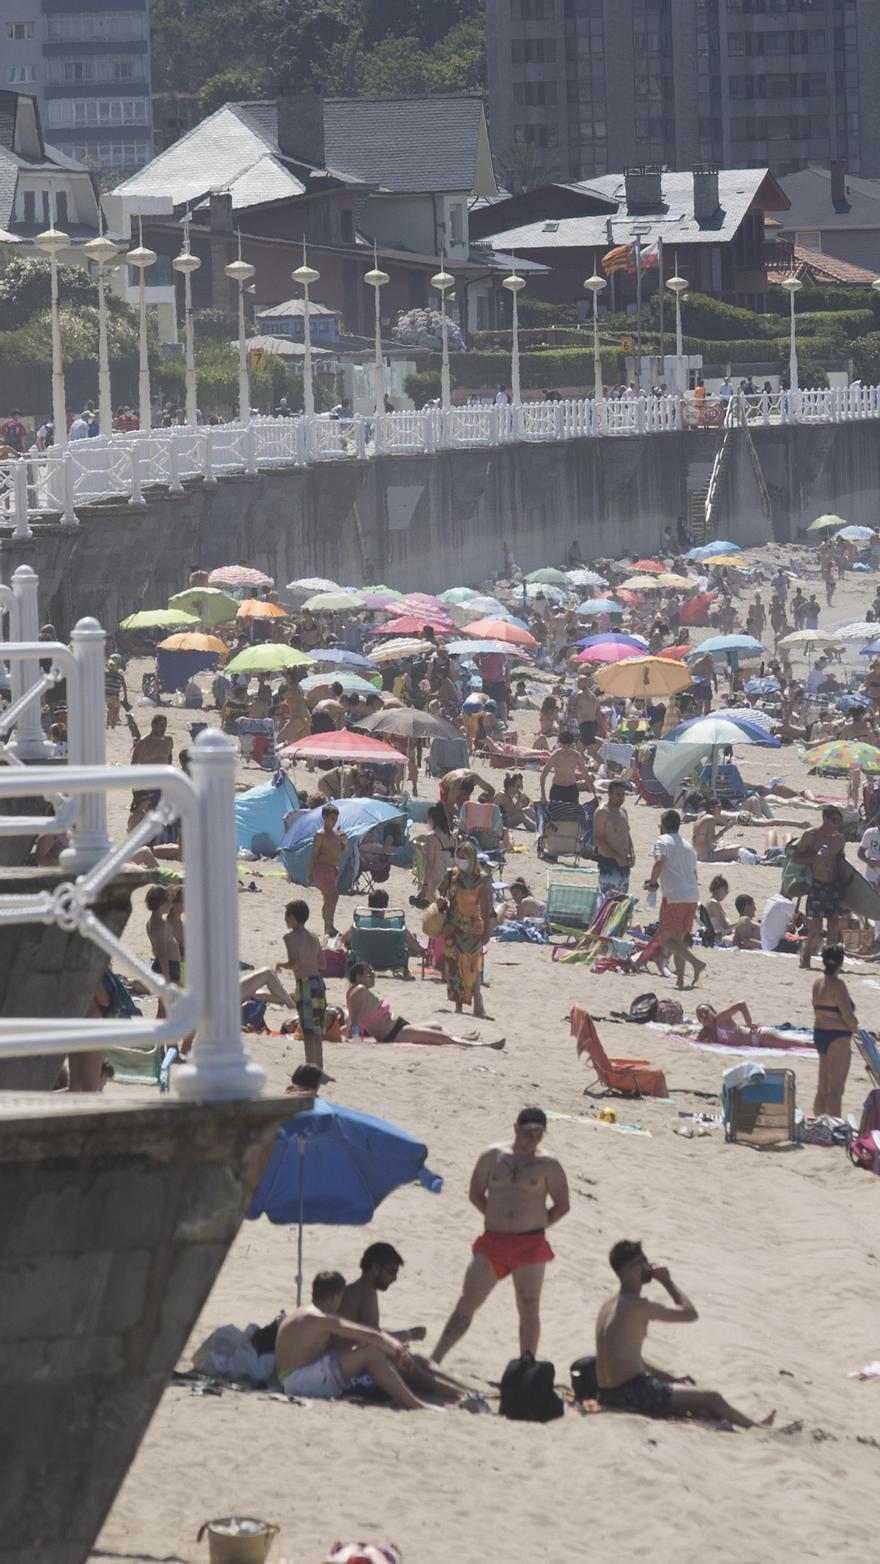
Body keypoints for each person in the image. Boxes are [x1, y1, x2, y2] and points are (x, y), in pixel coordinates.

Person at [432, 1108, 570, 1364]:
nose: (534, 1140)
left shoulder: (548, 1164)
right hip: (493, 1241)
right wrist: (495, 1218)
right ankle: (436, 1358)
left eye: (539, 1135)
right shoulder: (492, 1156)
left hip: (530, 1244)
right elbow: (475, 1193)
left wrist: (537, 1224)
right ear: (516, 1128)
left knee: (529, 1306)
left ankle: (526, 1366)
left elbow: (562, 1205)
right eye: (529, 1133)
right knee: (468, 1300)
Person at [595, 1240, 771, 1428]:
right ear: (634, 1269)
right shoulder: (636, 1305)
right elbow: (689, 1314)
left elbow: (628, 1358)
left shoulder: (609, 1305)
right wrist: (667, 1282)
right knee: (713, 1398)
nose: (649, 1266)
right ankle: (761, 1431)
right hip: (633, 1394)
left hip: (609, 1393)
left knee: (697, 1401)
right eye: (644, 1261)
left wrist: (671, 1378)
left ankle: (741, 1423)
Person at [274, 1271, 438, 1410]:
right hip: (300, 1381)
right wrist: (398, 1352)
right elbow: (371, 1335)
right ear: (333, 1296)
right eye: (340, 1297)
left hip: (293, 1376)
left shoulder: (306, 1311)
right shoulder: (321, 1317)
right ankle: (414, 1403)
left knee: (366, 1349)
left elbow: (365, 1336)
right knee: (371, 1353)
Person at [338, 1244, 474, 1404]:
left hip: (353, 1359)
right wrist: (409, 1335)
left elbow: (368, 1333)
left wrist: (401, 1341)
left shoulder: (359, 1289)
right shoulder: (365, 1292)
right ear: (375, 1268)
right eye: (391, 1272)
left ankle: (470, 1390)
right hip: (349, 1371)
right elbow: (373, 1337)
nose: (394, 1278)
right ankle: (461, 1394)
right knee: (410, 1369)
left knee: (420, 1360)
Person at [346, 960, 504, 1049]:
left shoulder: (360, 991)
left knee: (436, 1025)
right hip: (392, 1033)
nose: (373, 976)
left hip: (398, 1027)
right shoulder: (358, 991)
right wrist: (355, 1042)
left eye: (374, 973)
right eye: (369, 974)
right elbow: (354, 1020)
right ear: (359, 977)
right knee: (439, 1037)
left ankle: (459, 1036)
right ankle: (482, 1045)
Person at [645, 808, 705, 990]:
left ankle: (696, 963)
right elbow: (694, 873)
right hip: (692, 895)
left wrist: (653, 883)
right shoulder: (688, 846)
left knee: (665, 940)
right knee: (678, 941)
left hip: (674, 896)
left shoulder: (662, 841)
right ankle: (680, 980)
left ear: (662, 827)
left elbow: (659, 861)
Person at [437, 840, 494, 1017]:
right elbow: (438, 891)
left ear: (472, 859)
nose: (459, 861)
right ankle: (459, 1005)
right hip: (452, 926)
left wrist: (487, 933)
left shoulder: (482, 879)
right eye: (457, 857)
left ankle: (477, 999)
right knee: (453, 965)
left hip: (472, 928)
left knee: (472, 965)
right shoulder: (451, 874)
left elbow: (485, 908)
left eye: (463, 858)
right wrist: (440, 899)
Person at [792, 805, 846, 967]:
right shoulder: (811, 836)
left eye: (839, 821)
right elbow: (796, 858)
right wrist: (814, 859)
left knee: (833, 924)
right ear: (825, 819)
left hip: (834, 885)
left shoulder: (839, 839)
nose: (837, 824)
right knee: (816, 926)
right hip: (817, 884)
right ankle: (806, 955)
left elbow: (841, 862)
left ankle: (830, 960)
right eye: (835, 821)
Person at [277, 900, 327, 1070]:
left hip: (305, 985)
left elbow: (295, 964)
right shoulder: (314, 937)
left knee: (307, 1030)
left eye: (286, 917)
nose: (285, 920)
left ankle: (309, 1067)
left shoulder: (289, 937)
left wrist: (280, 965)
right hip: (318, 983)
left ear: (292, 917)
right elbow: (322, 964)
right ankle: (318, 1067)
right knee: (317, 1029)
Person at [811, 944, 857, 1116]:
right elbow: (847, 1016)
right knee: (836, 1091)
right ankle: (835, 1127)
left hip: (820, 1034)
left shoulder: (817, 983)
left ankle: (819, 1123)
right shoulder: (839, 985)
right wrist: (859, 1031)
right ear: (841, 963)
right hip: (838, 1037)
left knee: (822, 1088)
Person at [307, 803, 348, 937]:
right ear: (324, 817)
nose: (334, 820)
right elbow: (314, 854)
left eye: (335, 818)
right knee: (333, 896)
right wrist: (310, 873)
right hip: (323, 868)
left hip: (333, 868)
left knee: (329, 899)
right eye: (331, 818)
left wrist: (344, 841)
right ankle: (328, 927)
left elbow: (344, 851)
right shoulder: (320, 834)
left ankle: (329, 926)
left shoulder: (337, 832)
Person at [128, 715, 174, 828]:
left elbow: (169, 759)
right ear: (153, 725)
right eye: (160, 726)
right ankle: (131, 831)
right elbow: (134, 763)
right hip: (146, 781)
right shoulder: (144, 742)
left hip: (161, 781)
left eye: (165, 726)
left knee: (160, 809)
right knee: (139, 810)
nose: (163, 728)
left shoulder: (168, 740)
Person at [592, 779, 635, 894]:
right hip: (609, 862)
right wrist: (616, 856)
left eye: (623, 794)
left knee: (622, 902)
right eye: (618, 794)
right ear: (609, 794)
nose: (621, 798)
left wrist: (632, 852)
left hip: (624, 863)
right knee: (609, 902)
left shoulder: (623, 811)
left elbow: (626, 833)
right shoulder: (603, 812)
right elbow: (598, 839)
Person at [145, 885, 181, 1020]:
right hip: (167, 968)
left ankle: (162, 1040)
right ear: (162, 903)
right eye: (169, 901)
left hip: (167, 966)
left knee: (165, 1006)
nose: (171, 904)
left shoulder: (155, 920)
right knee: (166, 1007)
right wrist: (167, 977)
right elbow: (161, 952)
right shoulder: (159, 924)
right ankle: (163, 1038)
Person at [539, 729, 594, 806]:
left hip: (571, 789)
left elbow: (585, 775)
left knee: (572, 815)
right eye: (563, 746)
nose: (565, 749)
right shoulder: (556, 755)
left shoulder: (576, 756)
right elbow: (543, 775)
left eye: (567, 746)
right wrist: (543, 795)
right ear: (560, 744)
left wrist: (595, 793)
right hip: (557, 789)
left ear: (571, 744)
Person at [692, 798, 742, 864]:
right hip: (706, 857)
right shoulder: (711, 819)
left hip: (698, 854)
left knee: (724, 844)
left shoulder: (701, 817)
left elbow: (703, 840)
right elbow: (711, 840)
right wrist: (725, 829)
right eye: (719, 807)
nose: (721, 809)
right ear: (711, 808)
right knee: (738, 848)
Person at [568, 675, 604, 753]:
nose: (577, 683)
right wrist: (602, 726)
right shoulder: (594, 696)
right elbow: (598, 713)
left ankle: (601, 763)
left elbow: (573, 711)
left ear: (582, 683)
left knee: (591, 750)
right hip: (593, 724)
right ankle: (579, 762)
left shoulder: (579, 695)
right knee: (580, 745)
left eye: (578, 682)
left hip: (585, 725)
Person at [104, 654, 128, 730]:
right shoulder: (119, 675)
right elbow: (124, 685)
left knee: (114, 709)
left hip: (111, 694)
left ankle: (111, 725)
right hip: (113, 694)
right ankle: (109, 724)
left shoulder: (106, 673)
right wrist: (125, 694)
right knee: (113, 709)